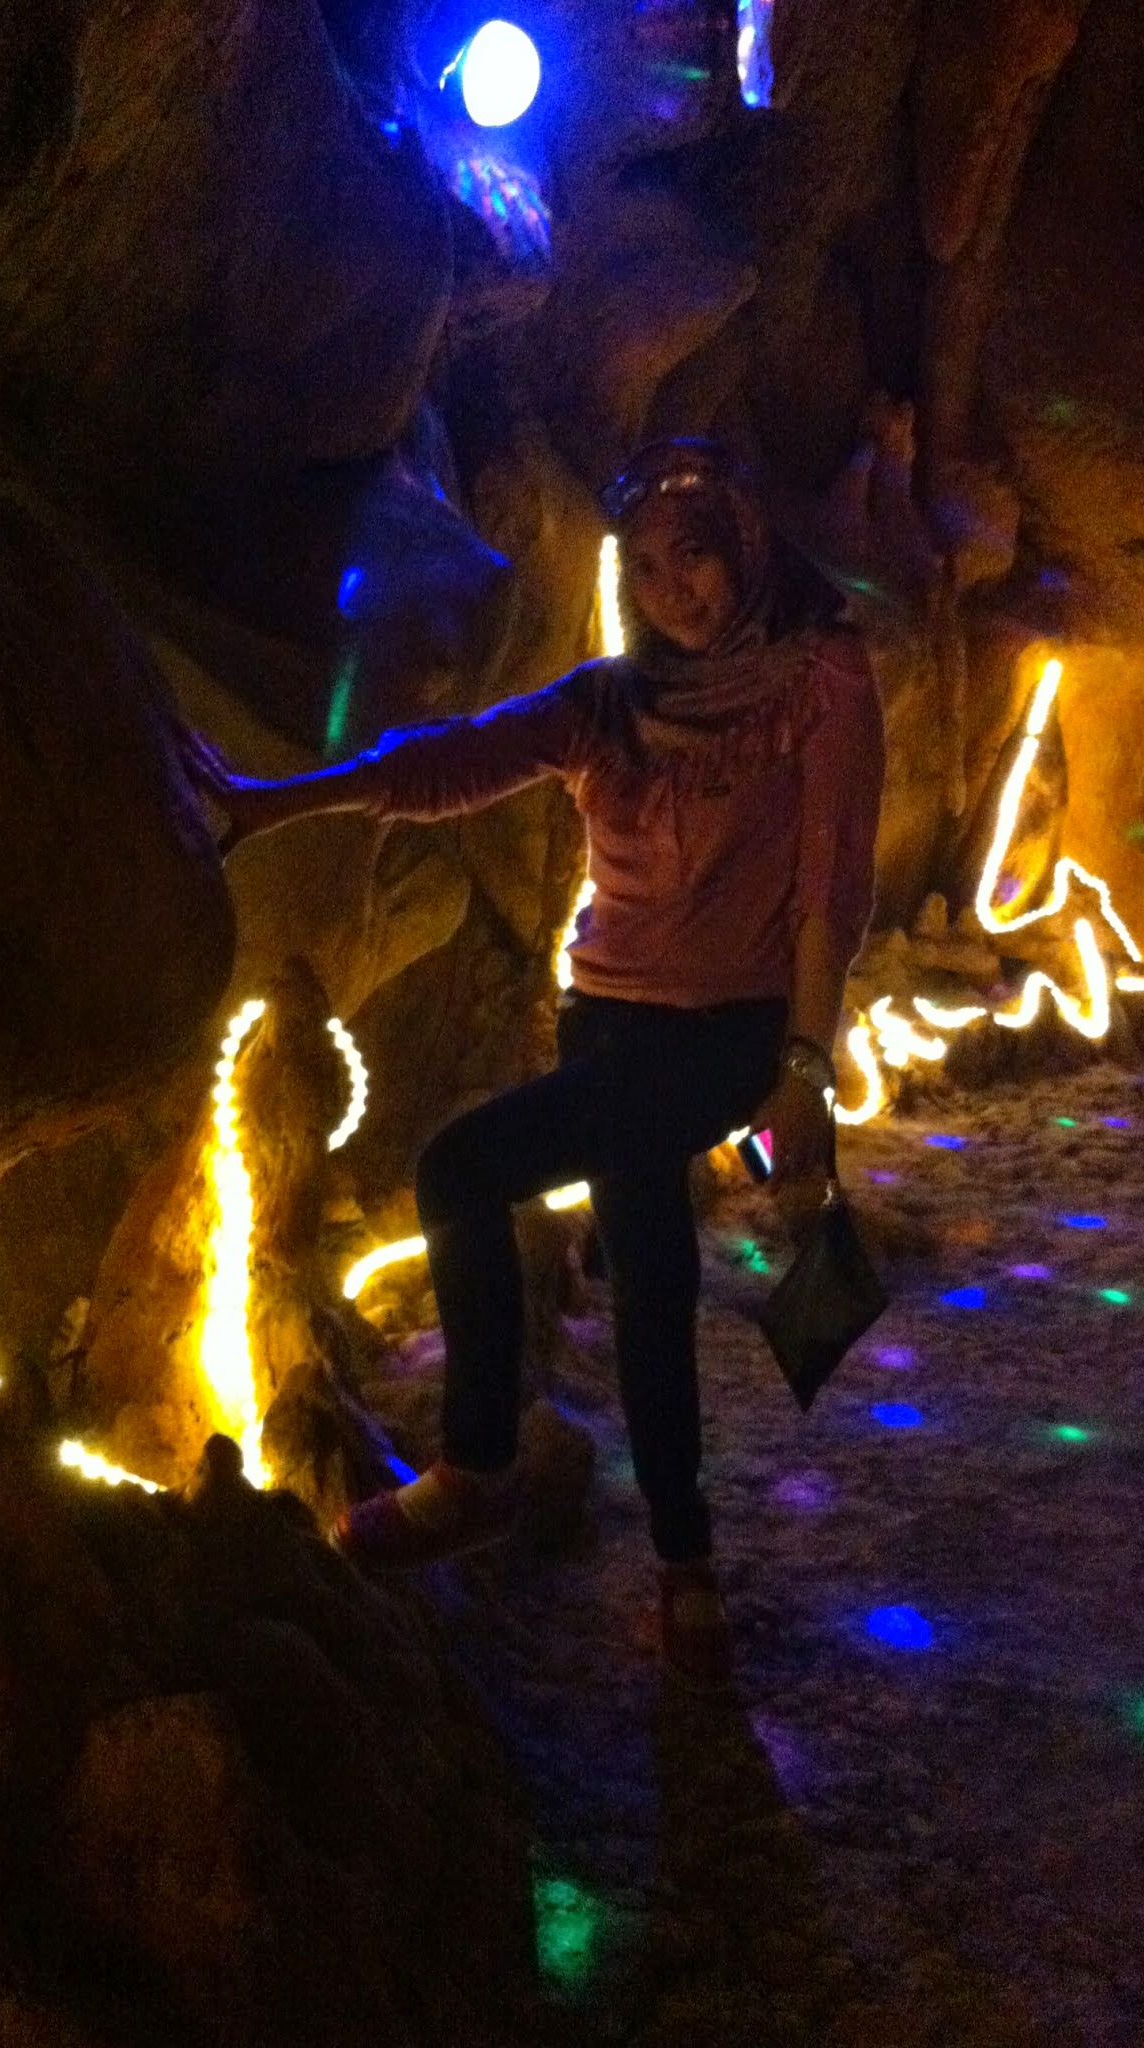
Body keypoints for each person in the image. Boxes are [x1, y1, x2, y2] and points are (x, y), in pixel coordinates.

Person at [183, 438, 885, 1687]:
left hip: (726, 1033)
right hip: (607, 1024)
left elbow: (831, 891)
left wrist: (804, 1067)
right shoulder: (611, 701)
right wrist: (272, 800)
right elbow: (453, 761)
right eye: (648, 569)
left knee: (460, 1169)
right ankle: (686, 1565)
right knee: (651, 1282)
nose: (676, 590)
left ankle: (477, 1468)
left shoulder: (818, 679)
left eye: (696, 556)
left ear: (744, 545)